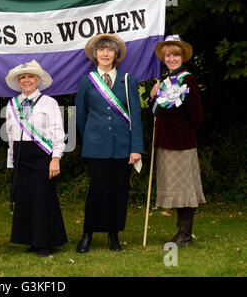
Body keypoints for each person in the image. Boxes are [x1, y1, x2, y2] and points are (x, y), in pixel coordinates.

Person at [75, 33, 143, 252]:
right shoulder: (87, 81)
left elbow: (135, 116)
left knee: (118, 191)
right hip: (96, 147)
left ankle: (113, 235)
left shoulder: (127, 80)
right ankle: (88, 233)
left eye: (109, 50)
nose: (105, 54)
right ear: (95, 55)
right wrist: (93, 138)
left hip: (123, 147)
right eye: (101, 50)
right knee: (97, 191)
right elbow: (81, 116)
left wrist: (136, 148)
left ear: (116, 55)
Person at [5, 60, 67, 257]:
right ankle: (31, 241)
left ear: (38, 80)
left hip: (42, 156)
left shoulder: (50, 103)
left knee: (43, 200)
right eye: (22, 77)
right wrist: (12, 160)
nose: (26, 80)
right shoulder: (12, 104)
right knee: (26, 200)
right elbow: (10, 133)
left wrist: (55, 158)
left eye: (30, 76)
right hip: (22, 157)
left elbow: (58, 132)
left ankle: (46, 243)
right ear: (18, 81)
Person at [150, 34, 205, 247]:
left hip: (182, 143)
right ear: (164, 58)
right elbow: (157, 112)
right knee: (175, 187)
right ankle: (181, 232)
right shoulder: (163, 81)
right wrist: (153, 95)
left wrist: (183, 131)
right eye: (168, 55)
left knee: (186, 188)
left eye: (175, 55)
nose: (172, 58)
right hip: (165, 142)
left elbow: (197, 115)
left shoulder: (188, 79)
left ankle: (185, 235)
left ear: (182, 57)